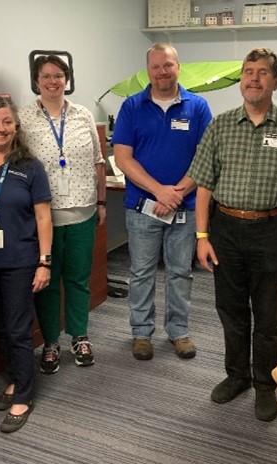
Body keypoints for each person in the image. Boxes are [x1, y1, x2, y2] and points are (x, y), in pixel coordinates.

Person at [187, 47, 277, 422]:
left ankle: (267, 384)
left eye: (262, 72)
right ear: (242, 81)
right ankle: (236, 375)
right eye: (248, 72)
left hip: (271, 230)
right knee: (230, 310)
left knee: (268, 315)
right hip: (225, 230)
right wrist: (202, 235)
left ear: (275, 82)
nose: (253, 78)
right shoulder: (220, 125)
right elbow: (203, 185)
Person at [111, 43, 213, 361]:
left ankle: (179, 332)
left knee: (180, 272)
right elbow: (123, 157)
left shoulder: (198, 107)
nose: (161, 72)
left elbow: (205, 157)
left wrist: (178, 192)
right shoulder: (131, 107)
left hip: (185, 206)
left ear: (178, 67)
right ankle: (141, 334)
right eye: (155, 66)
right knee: (141, 272)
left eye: (167, 65)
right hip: (143, 207)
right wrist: (159, 191)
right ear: (148, 71)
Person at [0, 96, 52, 433]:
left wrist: (44, 262)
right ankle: (17, 379)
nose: (0, 128)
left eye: (6, 121)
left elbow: (44, 216)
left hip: (20, 260)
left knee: (18, 330)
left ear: (16, 126)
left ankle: (24, 396)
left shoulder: (30, 166)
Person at [19, 54, 106, 374]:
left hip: (83, 212)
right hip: (44, 217)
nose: (53, 81)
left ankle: (79, 335)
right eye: (46, 76)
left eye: (59, 75)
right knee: (48, 282)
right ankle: (51, 341)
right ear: (36, 80)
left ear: (67, 79)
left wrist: (101, 203)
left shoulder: (83, 115)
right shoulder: (23, 118)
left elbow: (99, 161)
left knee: (79, 279)